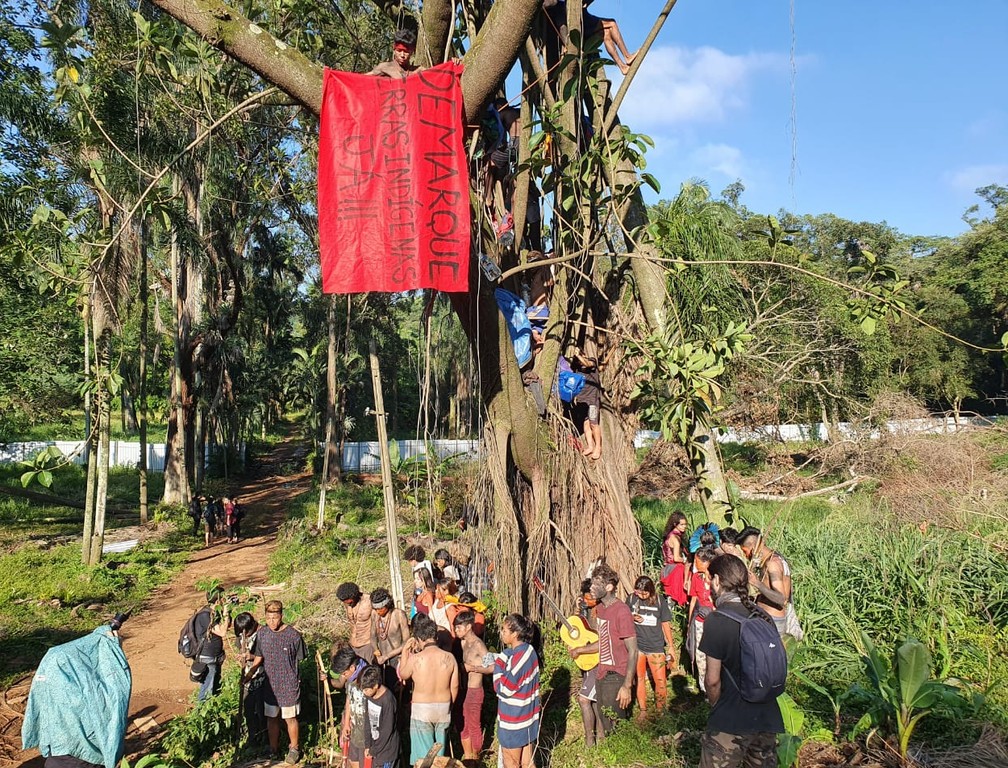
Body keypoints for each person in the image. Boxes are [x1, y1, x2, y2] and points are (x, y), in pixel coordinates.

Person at [698, 555, 784, 768]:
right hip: (767, 718)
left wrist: (717, 707)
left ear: (717, 580)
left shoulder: (716, 620)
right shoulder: (762, 615)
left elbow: (712, 681)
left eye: (709, 579)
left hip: (730, 721)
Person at [21, 613, 131, 768]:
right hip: (80, 760)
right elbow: (115, 694)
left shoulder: (52, 675)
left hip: (60, 754)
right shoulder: (82, 690)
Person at [570, 565, 637, 734]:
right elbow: (603, 641)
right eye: (592, 583)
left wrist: (627, 685)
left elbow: (633, 651)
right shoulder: (600, 608)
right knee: (604, 723)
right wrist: (580, 649)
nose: (592, 587)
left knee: (615, 727)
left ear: (609, 587)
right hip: (602, 673)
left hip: (617, 675)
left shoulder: (622, 611)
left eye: (596, 584)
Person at [398, 614, 459, 765]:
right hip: (443, 707)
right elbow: (455, 686)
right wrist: (450, 705)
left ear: (419, 639)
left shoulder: (416, 659)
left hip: (422, 710)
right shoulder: (450, 658)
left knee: (424, 758)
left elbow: (403, 674)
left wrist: (405, 651)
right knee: (439, 755)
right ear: (435, 637)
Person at [257, 600, 308, 764]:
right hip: (271, 685)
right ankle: (273, 749)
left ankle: (294, 749)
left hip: (288, 684)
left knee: (290, 718)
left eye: (275, 618)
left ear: (281, 616)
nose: (272, 622)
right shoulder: (262, 634)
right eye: (268, 618)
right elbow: (259, 656)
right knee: (272, 717)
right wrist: (249, 672)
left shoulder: (293, 635)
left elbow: (301, 658)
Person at [736, 527, 802, 641]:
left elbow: (782, 599)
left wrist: (757, 583)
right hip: (767, 618)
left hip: (772, 620)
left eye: (745, 551)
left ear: (753, 548)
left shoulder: (772, 564)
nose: (746, 555)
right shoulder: (770, 559)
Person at [493, 613, 541, 768]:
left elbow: (503, 689)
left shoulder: (519, 657)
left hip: (514, 721)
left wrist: (498, 665)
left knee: (511, 764)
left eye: (504, 630)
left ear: (515, 634)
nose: (501, 633)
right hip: (528, 718)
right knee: (528, 763)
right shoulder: (529, 651)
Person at [544, 0, 637, 75]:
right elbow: (560, 21)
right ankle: (627, 56)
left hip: (583, 17)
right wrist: (566, 44)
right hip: (581, 21)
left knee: (606, 33)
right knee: (612, 24)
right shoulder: (559, 8)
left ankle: (623, 67)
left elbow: (584, 4)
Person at [626, 575, 676, 716]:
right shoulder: (631, 599)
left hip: (655, 647)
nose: (641, 596)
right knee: (640, 678)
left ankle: (660, 711)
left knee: (660, 681)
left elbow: (665, 623)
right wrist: (632, 617)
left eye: (644, 593)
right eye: (638, 593)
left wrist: (671, 646)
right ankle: (643, 710)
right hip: (638, 646)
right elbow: (624, 617)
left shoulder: (659, 601)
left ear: (651, 591)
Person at [453, 610, 494, 760]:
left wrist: (473, 668)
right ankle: (468, 756)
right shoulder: (463, 643)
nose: (456, 630)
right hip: (464, 689)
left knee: (474, 725)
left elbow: (492, 667)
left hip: (475, 690)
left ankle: (476, 758)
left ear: (469, 627)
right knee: (464, 723)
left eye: (459, 627)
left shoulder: (478, 644)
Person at [574, 579, 603, 747]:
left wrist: (580, 650)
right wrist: (577, 611)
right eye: (585, 597)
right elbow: (578, 631)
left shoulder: (603, 613)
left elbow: (602, 642)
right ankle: (600, 737)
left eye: (589, 598)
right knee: (595, 699)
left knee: (584, 699)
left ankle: (590, 740)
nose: (587, 600)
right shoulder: (587, 610)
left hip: (599, 663)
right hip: (588, 662)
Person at [331, 647, 369, 768]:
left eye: (344, 673)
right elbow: (349, 699)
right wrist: (346, 723)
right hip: (354, 727)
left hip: (366, 731)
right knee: (353, 761)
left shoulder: (367, 678)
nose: (344, 677)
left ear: (352, 668)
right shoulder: (351, 679)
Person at [686, 547, 717, 693]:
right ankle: (705, 689)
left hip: (715, 623)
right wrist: (689, 623)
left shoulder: (717, 581)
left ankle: (716, 686)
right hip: (699, 621)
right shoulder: (696, 578)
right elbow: (693, 600)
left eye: (697, 561)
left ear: (706, 563)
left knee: (715, 655)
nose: (694, 564)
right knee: (700, 654)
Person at [235, 611, 267, 745]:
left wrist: (252, 657)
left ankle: (265, 738)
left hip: (262, 677)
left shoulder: (263, 634)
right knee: (248, 710)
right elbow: (240, 649)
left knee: (262, 710)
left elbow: (267, 655)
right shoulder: (241, 636)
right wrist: (241, 658)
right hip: (247, 679)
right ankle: (252, 737)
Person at [191, 588, 228, 701]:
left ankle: (211, 709)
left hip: (215, 656)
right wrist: (226, 613)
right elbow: (222, 632)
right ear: (218, 601)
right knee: (207, 689)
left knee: (215, 687)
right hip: (207, 657)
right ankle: (202, 710)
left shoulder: (213, 613)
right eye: (223, 598)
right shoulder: (205, 615)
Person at [359, 665, 400, 768]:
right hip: (375, 748)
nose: (364, 692)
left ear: (376, 686)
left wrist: (374, 750)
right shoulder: (369, 696)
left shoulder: (388, 700)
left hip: (387, 751)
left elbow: (387, 730)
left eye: (366, 690)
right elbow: (367, 720)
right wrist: (368, 745)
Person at [371, 587, 410, 692]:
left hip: (396, 659)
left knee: (398, 690)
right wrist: (376, 650)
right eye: (375, 609)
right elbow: (373, 636)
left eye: (380, 609)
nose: (378, 612)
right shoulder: (374, 614)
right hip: (380, 659)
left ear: (387, 604)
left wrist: (387, 656)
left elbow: (406, 642)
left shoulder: (399, 615)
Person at [338, 582, 377, 663]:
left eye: (349, 602)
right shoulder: (347, 604)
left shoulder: (369, 601)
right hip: (352, 645)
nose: (348, 604)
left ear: (354, 596)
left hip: (367, 645)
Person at [660, 512, 690, 607]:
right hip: (675, 569)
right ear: (675, 524)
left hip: (667, 568)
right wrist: (685, 560)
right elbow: (676, 558)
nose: (684, 526)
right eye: (681, 524)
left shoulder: (670, 535)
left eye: (685, 524)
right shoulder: (675, 539)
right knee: (674, 596)